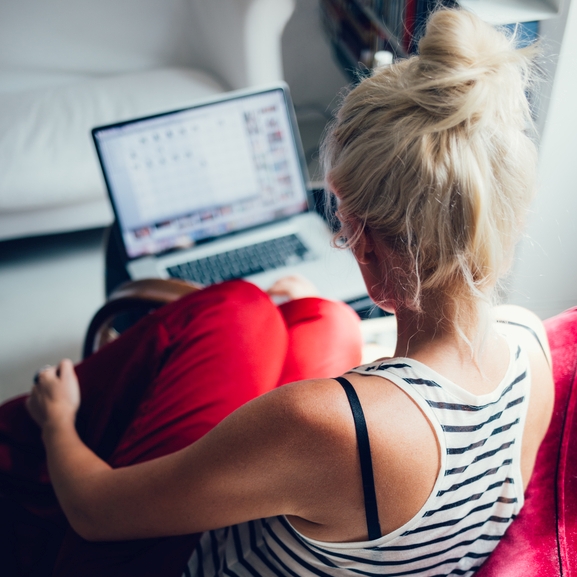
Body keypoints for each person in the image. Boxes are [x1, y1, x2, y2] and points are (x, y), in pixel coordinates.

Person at [3, 7, 554, 577]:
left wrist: (58, 421)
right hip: (360, 494)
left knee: (239, 309)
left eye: (341, 222)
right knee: (326, 318)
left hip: (161, 553)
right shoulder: (530, 344)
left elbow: (95, 511)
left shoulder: (328, 427)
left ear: (366, 247)